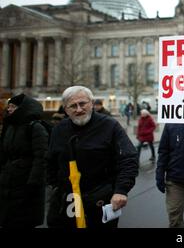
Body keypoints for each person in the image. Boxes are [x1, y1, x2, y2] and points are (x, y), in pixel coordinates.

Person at [46, 86, 138, 228]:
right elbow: (50, 160)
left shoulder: (109, 125)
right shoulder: (59, 129)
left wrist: (121, 190)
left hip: (99, 199)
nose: (78, 109)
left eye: (82, 104)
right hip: (66, 200)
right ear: (65, 109)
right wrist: (54, 185)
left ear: (91, 103)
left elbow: (128, 158)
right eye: (72, 106)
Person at [0, 94, 48, 228]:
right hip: (8, 182)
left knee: (23, 221)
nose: (9, 109)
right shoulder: (9, 126)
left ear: (23, 108)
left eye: (13, 106)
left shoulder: (35, 127)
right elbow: (4, 153)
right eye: (8, 106)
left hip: (26, 184)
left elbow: (41, 157)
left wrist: (33, 183)